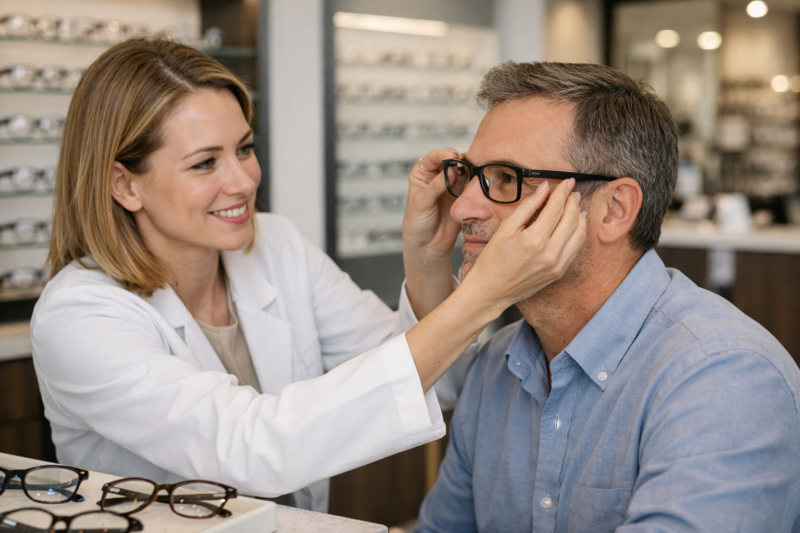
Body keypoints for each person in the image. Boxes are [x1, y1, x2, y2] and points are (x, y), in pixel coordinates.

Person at [30, 39, 587, 513]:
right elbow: (252, 449)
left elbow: (432, 379)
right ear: (125, 185)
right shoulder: (80, 316)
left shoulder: (275, 247)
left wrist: (426, 260)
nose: (243, 180)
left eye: (245, 149)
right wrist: (489, 292)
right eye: (205, 163)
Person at [415, 61, 800, 532]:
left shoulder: (723, 376)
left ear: (614, 210)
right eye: (469, 175)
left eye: (505, 179)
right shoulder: (497, 365)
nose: (462, 207)